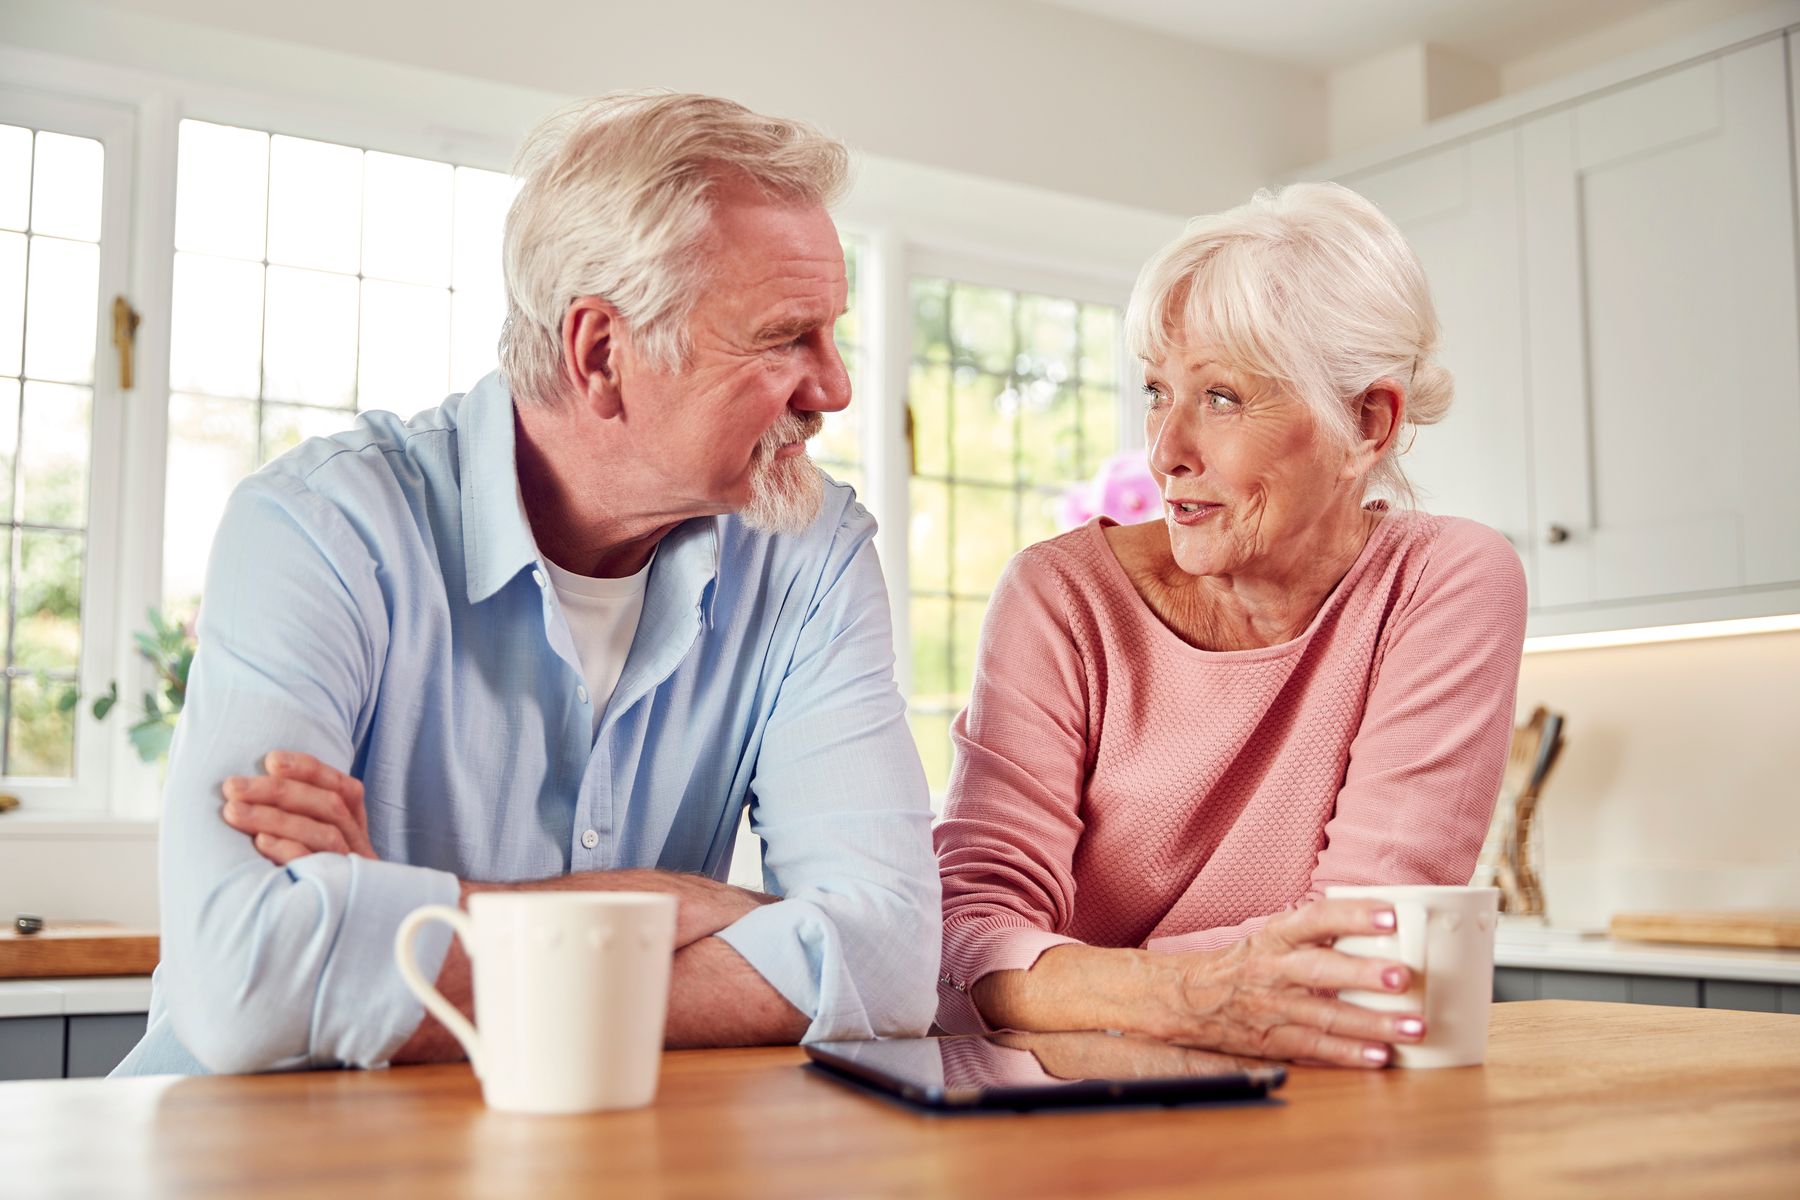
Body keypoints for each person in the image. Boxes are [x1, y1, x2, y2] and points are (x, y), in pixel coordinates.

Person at [114, 91, 939, 1076]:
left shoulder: (810, 551)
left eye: (832, 333)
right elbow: (249, 986)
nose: (835, 387)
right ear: (602, 353)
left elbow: (888, 968)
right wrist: (674, 911)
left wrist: (408, 915)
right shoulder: (321, 527)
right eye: (782, 338)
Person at [934, 183, 1527, 1068]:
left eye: (1220, 398)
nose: (1165, 448)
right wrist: (1180, 993)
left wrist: (1061, 984)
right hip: (1066, 1112)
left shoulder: (1444, 582)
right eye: (1157, 391)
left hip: (1312, 1110)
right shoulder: (1061, 598)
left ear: (1368, 422)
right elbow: (963, 941)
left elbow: (1365, 948)